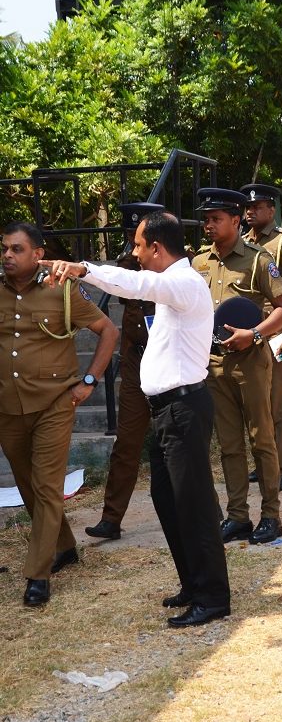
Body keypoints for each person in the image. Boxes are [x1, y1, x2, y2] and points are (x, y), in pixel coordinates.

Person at [40, 211, 230, 627]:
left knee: (194, 506)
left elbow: (137, 284)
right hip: (167, 411)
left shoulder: (181, 282)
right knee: (168, 501)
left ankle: (213, 597)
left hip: (184, 409)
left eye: (140, 246)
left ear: (157, 248)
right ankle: (193, 584)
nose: (136, 254)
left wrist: (84, 269)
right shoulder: (171, 286)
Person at [0, 222, 118, 607]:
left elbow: (108, 331)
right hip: (8, 406)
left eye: (17, 249)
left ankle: (38, 574)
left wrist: (89, 380)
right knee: (28, 485)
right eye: (4, 248)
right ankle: (65, 545)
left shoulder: (62, 289)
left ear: (38, 254)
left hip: (54, 404)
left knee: (47, 486)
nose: (7, 255)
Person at [192, 188, 282, 545]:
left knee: (261, 440)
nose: (209, 225)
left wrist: (254, 334)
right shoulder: (198, 263)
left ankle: (271, 516)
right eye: (206, 219)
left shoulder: (258, 259)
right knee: (229, 444)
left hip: (250, 363)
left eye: (216, 219)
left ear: (235, 220)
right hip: (214, 364)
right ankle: (237, 516)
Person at [85, 202, 162, 541]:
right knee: (126, 444)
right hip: (135, 364)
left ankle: (208, 511)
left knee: (181, 445)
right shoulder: (126, 263)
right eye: (129, 234)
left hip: (167, 364)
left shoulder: (175, 265)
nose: (133, 242)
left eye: (138, 235)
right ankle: (111, 518)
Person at [240, 183, 282, 490]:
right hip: (251, 331)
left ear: (271, 209)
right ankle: (263, 464)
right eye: (247, 207)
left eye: (257, 207)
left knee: (278, 404)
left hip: (278, 330)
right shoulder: (243, 242)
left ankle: (281, 469)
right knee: (256, 405)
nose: (250, 212)